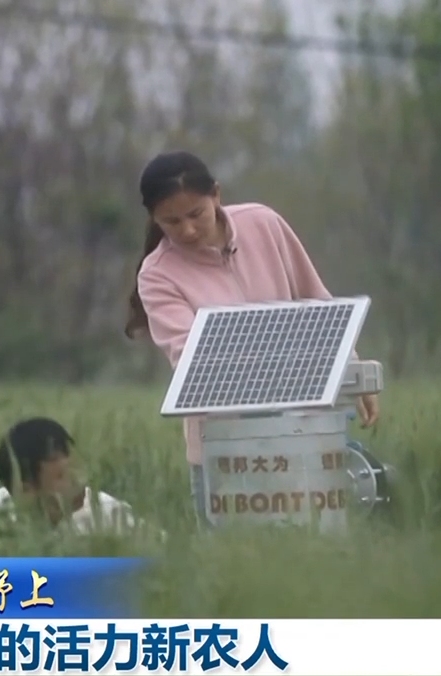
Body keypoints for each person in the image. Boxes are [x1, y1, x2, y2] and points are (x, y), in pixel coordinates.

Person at [124, 150, 381, 527]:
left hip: (304, 434)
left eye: (196, 214)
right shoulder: (157, 275)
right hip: (225, 448)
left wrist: (353, 372)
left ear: (216, 195)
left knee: (318, 557)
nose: (189, 231)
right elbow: (192, 360)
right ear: (154, 219)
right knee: (232, 571)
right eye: (171, 222)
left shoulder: (264, 224)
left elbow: (318, 305)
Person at [0, 417, 140, 535]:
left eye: (77, 469)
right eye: (62, 476)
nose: (80, 482)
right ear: (25, 488)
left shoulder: (112, 516)